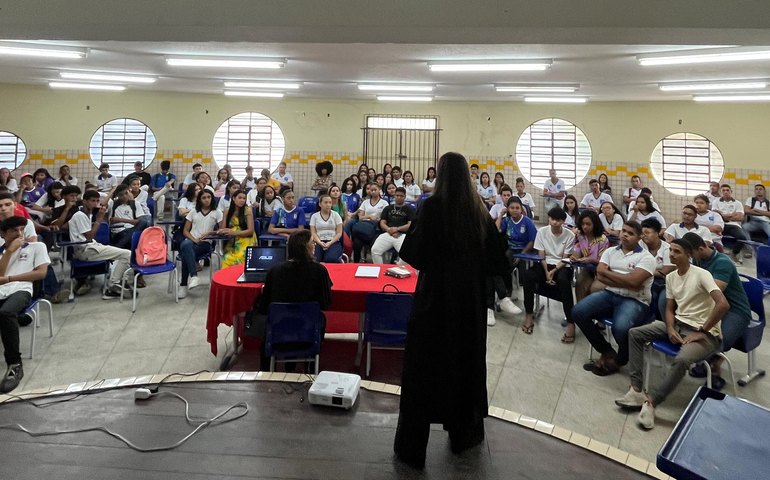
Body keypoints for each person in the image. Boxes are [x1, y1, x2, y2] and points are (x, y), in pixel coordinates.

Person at [394, 152, 507, 469]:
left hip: (435, 300)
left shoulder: (430, 207)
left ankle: (412, 447)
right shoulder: (478, 210)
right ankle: (464, 436)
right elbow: (497, 261)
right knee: (464, 364)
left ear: (441, 175)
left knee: (423, 367)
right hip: (469, 304)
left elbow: (413, 254)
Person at [615, 239, 729, 430]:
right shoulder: (671, 277)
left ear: (688, 255)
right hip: (678, 324)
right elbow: (669, 308)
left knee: (682, 359)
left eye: (677, 251)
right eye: (671, 251)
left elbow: (723, 304)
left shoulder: (702, 274)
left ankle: (652, 402)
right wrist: (669, 328)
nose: (672, 254)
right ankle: (636, 390)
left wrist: (702, 330)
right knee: (635, 334)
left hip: (706, 333)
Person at [573, 221, 656, 376]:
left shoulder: (646, 258)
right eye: (623, 230)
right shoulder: (611, 251)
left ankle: (622, 359)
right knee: (578, 311)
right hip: (610, 294)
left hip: (635, 300)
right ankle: (607, 351)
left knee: (621, 328)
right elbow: (600, 274)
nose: (624, 234)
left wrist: (609, 274)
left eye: (630, 233)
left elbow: (634, 282)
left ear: (639, 238)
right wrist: (626, 280)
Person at [682, 232, 752, 390]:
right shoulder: (698, 260)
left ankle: (715, 371)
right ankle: (707, 362)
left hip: (736, 311)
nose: (689, 258)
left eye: (690, 254)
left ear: (701, 248)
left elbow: (712, 291)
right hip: (713, 307)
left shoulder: (722, 262)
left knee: (715, 341)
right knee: (693, 333)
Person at [255, 229, 332, 371]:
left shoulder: (274, 271)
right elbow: (325, 304)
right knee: (320, 317)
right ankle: (310, 367)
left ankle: (267, 371)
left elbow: (264, 307)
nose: (314, 245)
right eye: (311, 243)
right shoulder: (320, 271)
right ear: (304, 247)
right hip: (307, 328)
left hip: (279, 327)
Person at [0, 216, 51, 393]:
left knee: (5, 313)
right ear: (3, 234)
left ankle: (14, 364)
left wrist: (9, 278)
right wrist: (8, 252)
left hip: (22, 289)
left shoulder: (37, 247)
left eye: (22, 229)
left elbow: (41, 273)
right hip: (1, 290)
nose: (19, 234)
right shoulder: (1, 251)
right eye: (14, 231)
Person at [67, 189, 134, 299]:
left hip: (92, 246)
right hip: (85, 250)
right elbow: (89, 236)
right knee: (127, 254)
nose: (95, 203)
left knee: (123, 255)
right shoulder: (80, 215)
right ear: (84, 201)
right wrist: (99, 219)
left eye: (97, 201)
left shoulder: (86, 214)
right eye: (92, 201)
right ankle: (112, 286)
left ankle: (116, 282)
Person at [521, 207, 575, 335]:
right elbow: (541, 256)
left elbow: (565, 258)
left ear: (563, 221)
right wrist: (547, 272)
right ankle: (529, 314)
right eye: (552, 219)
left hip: (562, 266)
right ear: (549, 219)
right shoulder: (542, 232)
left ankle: (571, 322)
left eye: (558, 220)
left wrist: (554, 271)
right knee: (528, 275)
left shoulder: (570, 235)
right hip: (544, 264)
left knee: (563, 280)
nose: (554, 222)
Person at [568, 210, 610, 340]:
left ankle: (600, 320)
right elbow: (577, 252)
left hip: (602, 272)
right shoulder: (580, 237)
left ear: (595, 224)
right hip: (587, 270)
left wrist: (591, 259)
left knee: (595, 288)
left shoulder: (603, 239)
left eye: (588, 224)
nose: (585, 227)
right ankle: (582, 315)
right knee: (580, 283)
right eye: (583, 224)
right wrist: (574, 258)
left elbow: (604, 261)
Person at [491, 196, 534, 324]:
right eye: (512, 208)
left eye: (517, 208)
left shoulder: (527, 222)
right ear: (508, 209)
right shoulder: (507, 220)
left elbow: (532, 241)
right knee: (502, 262)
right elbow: (496, 230)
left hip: (524, 251)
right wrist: (501, 215)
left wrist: (522, 254)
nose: (514, 210)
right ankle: (506, 292)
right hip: (510, 250)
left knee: (524, 276)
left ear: (521, 209)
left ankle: (524, 303)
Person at [178, 189, 222, 297]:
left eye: (209, 197)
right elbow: (185, 231)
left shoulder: (217, 212)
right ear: (199, 199)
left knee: (185, 252)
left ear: (212, 198)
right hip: (192, 240)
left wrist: (210, 233)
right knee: (186, 246)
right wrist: (194, 240)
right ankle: (193, 276)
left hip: (205, 243)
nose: (206, 200)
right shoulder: (193, 211)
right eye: (204, 198)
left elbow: (222, 230)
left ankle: (184, 285)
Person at [640, 218, 675, 320]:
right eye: (642, 233)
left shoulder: (667, 248)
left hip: (661, 281)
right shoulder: (638, 245)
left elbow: (665, 272)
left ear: (657, 233)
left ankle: (654, 321)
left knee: (653, 294)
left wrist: (644, 272)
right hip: (643, 278)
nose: (644, 235)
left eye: (647, 232)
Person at [371, 187, 415, 265]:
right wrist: (389, 229)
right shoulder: (388, 208)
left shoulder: (409, 209)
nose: (399, 197)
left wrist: (397, 229)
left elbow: (410, 225)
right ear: (394, 196)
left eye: (401, 196)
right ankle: (380, 269)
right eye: (397, 195)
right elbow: (382, 222)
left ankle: (397, 270)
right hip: (388, 233)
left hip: (402, 235)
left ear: (405, 196)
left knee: (407, 254)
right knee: (375, 250)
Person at [218, 189, 257, 268]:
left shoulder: (248, 210)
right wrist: (222, 231)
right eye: (240, 198)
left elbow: (250, 231)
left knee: (240, 257)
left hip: (246, 239)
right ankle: (226, 279)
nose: (242, 200)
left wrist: (234, 233)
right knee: (226, 258)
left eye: (244, 198)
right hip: (232, 240)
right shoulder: (227, 210)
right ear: (233, 198)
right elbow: (223, 228)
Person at [712, 184, 750, 262]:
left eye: (727, 190)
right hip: (719, 224)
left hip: (733, 225)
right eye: (723, 190)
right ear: (721, 192)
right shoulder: (716, 202)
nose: (725, 192)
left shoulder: (737, 203)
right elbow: (715, 215)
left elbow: (740, 217)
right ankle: (716, 255)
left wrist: (722, 215)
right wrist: (732, 215)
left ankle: (734, 253)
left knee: (742, 237)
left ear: (731, 192)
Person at [352, 183, 388, 262]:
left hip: (377, 229)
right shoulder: (365, 202)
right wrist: (369, 217)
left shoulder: (384, 203)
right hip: (365, 228)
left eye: (375, 190)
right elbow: (360, 217)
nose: (373, 191)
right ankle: (355, 264)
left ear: (379, 191)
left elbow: (386, 218)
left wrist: (379, 219)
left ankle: (375, 264)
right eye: (371, 190)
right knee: (356, 244)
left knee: (374, 245)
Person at [109, 184, 150, 251]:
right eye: (121, 195)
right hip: (119, 232)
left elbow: (140, 221)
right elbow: (111, 220)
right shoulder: (113, 204)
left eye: (126, 193)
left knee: (144, 222)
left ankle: (118, 247)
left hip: (132, 229)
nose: (124, 196)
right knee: (134, 238)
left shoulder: (135, 203)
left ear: (129, 192)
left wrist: (120, 219)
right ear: (117, 196)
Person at [309, 194, 344, 262]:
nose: (328, 205)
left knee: (330, 258)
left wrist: (330, 243)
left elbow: (339, 233)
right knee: (315, 259)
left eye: (330, 202)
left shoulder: (336, 215)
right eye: (325, 202)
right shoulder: (314, 216)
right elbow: (313, 233)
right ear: (320, 204)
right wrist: (320, 242)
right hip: (318, 242)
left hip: (333, 242)